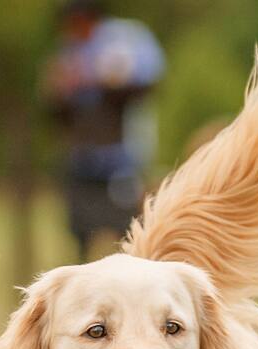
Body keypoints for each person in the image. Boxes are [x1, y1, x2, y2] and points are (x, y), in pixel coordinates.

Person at [45, 1, 164, 261]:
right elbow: (58, 106)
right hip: (83, 161)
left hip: (120, 160)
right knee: (81, 231)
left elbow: (144, 82)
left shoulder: (123, 41)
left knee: (128, 230)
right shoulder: (70, 52)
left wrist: (95, 79)